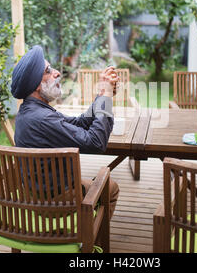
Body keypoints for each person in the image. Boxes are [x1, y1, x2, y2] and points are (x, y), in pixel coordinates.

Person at [11, 45, 120, 217]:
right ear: (36, 84)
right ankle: (91, 240)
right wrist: (106, 97)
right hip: (57, 202)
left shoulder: (31, 112)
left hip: (38, 195)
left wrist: (101, 95)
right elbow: (96, 142)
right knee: (111, 188)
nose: (57, 73)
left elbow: (80, 123)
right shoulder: (42, 119)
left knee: (99, 184)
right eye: (48, 70)